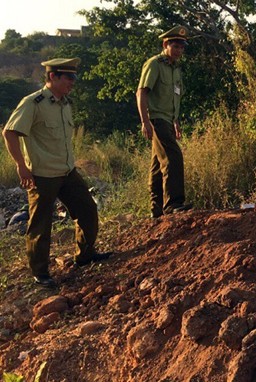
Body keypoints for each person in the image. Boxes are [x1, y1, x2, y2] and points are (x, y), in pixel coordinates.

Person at [3, 58, 111, 288]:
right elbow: (10, 133)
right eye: (68, 78)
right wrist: (21, 166)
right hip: (42, 174)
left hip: (67, 171)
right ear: (53, 77)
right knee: (40, 224)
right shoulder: (33, 102)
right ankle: (40, 273)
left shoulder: (65, 103)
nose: (72, 82)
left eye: (73, 78)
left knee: (87, 209)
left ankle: (85, 255)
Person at [137, 26, 192, 218]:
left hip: (168, 120)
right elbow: (142, 92)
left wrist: (176, 121)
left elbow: (175, 96)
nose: (179, 50)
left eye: (182, 47)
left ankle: (157, 210)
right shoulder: (154, 64)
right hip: (157, 119)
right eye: (175, 46)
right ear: (165, 44)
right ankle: (174, 203)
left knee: (157, 166)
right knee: (173, 156)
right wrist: (145, 122)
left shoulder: (175, 68)